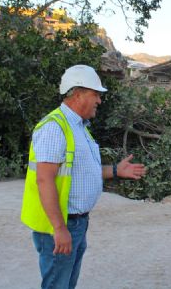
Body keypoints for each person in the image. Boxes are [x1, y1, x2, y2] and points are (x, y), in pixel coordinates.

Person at [21, 64, 146, 289]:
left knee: (66, 284)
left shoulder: (79, 127)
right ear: (78, 94)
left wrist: (116, 170)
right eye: (95, 94)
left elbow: (81, 173)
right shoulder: (54, 127)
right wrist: (59, 229)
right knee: (57, 285)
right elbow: (44, 179)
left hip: (77, 223)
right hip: (60, 225)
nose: (99, 100)